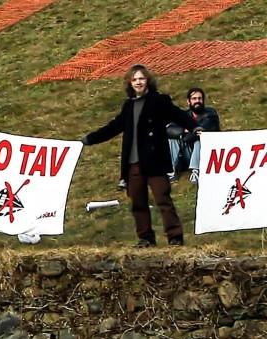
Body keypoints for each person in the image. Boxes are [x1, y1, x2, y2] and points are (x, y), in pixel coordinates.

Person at [81, 64, 195, 247]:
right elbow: (113, 127)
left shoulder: (159, 100)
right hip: (133, 163)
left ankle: (175, 237)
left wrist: (195, 127)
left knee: (163, 199)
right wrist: (89, 139)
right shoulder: (128, 106)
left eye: (141, 78)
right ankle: (146, 238)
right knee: (138, 202)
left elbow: (178, 115)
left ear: (147, 80)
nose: (138, 82)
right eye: (134, 79)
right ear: (130, 83)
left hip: (155, 160)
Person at [182, 87, 220, 184]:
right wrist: (183, 130)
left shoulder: (210, 114)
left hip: (208, 153)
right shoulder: (185, 115)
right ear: (188, 101)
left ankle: (195, 171)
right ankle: (171, 171)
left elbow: (202, 131)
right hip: (188, 151)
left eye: (199, 98)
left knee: (200, 139)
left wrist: (186, 134)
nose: (197, 101)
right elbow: (170, 129)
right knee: (172, 139)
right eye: (194, 99)